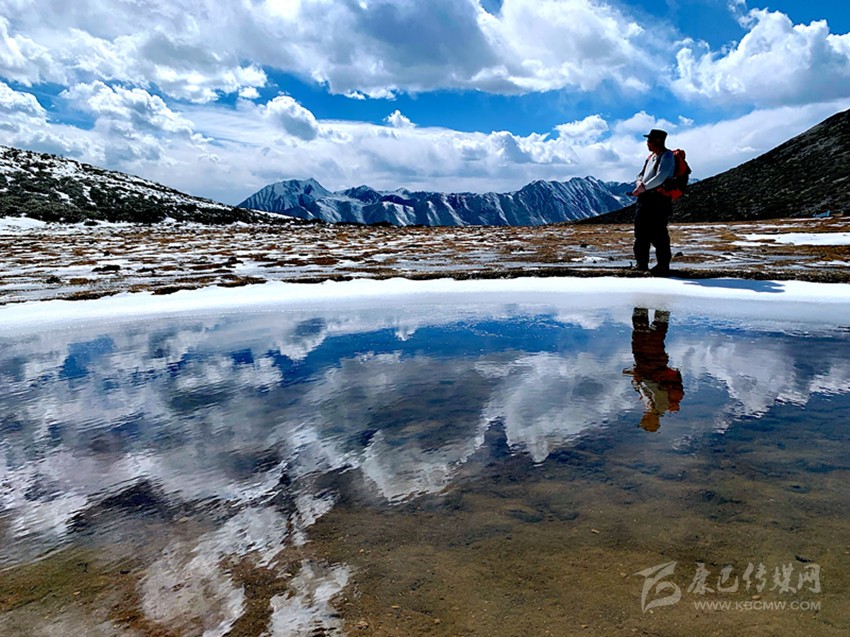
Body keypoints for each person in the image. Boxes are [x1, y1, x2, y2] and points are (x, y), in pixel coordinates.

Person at [623, 307, 684, 432]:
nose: (643, 419)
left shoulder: (650, 408)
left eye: (643, 421)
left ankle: (641, 308)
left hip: (645, 366)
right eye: (645, 421)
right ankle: (661, 309)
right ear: (654, 422)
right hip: (653, 366)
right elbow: (656, 389)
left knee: (639, 338)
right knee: (654, 339)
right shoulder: (661, 406)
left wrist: (635, 378)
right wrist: (640, 378)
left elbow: (644, 387)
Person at [630, 129, 675, 276]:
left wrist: (642, 187)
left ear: (657, 141)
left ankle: (663, 265)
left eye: (649, 140)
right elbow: (641, 174)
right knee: (641, 232)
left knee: (658, 233)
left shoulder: (667, 156)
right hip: (646, 199)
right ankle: (642, 263)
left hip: (658, 200)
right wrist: (639, 183)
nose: (647, 143)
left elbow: (661, 177)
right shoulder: (651, 157)